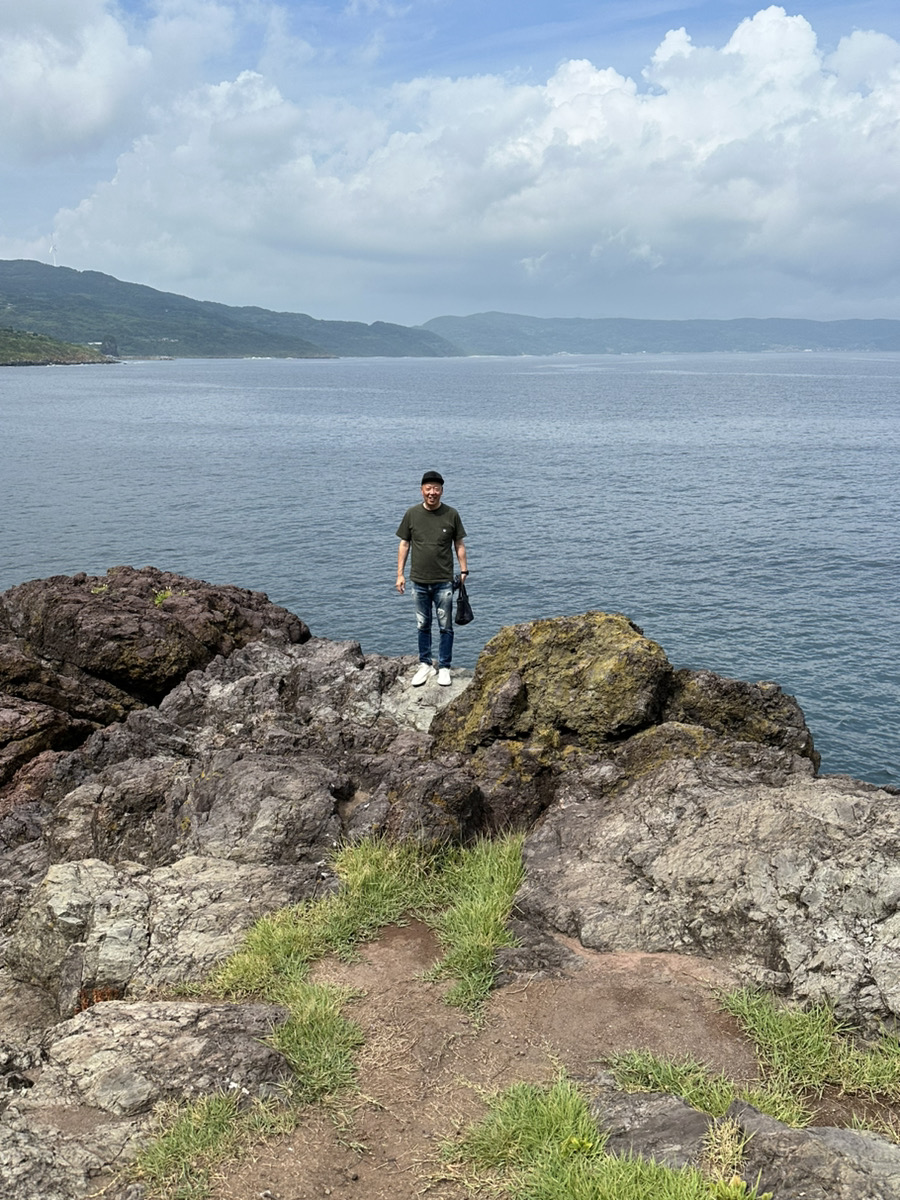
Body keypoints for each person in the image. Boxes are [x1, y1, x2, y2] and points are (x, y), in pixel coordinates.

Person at [395, 470, 468, 686]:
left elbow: (459, 544)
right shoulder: (412, 514)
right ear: (422, 490)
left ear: (442, 491)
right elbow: (404, 544)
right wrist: (399, 574)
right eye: (428, 488)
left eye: (436, 489)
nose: (432, 493)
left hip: (444, 581)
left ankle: (444, 667)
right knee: (422, 624)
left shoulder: (451, 514)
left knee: (445, 626)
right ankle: (425, 665)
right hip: (418, 581)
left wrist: (464, 571)